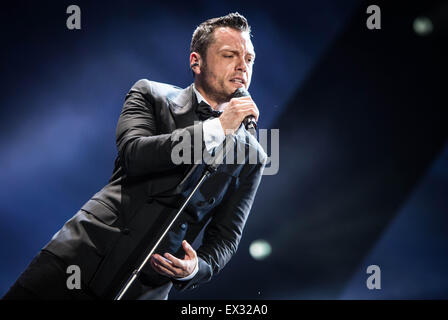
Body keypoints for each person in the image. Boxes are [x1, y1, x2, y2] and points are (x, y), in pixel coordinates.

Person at [2, 12, 267, 300]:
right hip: (81, 256)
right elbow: (135, 154)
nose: (243, 67)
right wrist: (217, 128)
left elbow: (226, 238)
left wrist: (195, 268)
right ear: (196, 61)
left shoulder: (251, 154)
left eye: (249, 59)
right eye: (230, 55)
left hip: (145, 287)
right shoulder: (151, 95)